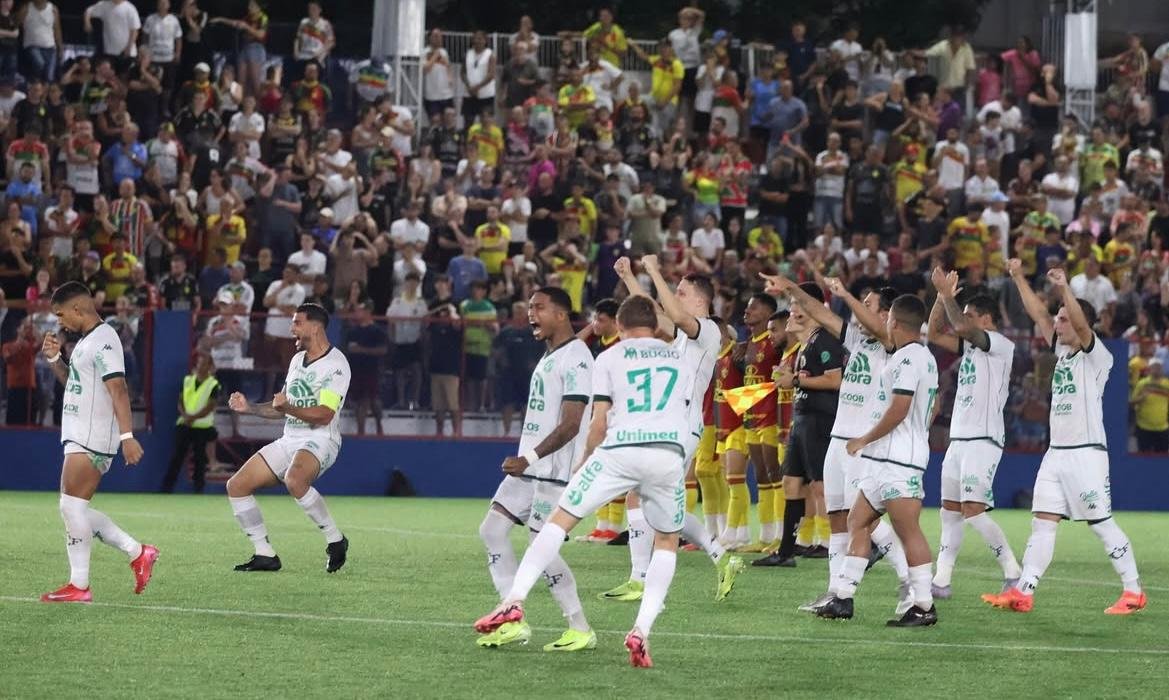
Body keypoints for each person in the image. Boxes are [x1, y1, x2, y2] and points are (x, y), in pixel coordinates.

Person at [474, 295, 696, 668]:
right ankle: (641, 629)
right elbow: (684, 413)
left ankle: (516, 600)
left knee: (556, 524)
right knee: (667, 542)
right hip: (668, 455)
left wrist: (583, 463)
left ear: (621, 327)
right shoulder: (683, 359)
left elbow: (597, 420)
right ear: (656, 326)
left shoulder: (607, 357)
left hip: (618, 450)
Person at [982, 263, 1145, 614]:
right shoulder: (1061, 351)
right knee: (1042, 522)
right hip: (1056, 454)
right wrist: (1017, 278)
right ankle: (1024, 592)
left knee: (1101, 524)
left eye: (1063, 318)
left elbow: (1081, 323)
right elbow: (1038, 313)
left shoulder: (1097, 354)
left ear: (1079, 321)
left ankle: (1133, 591)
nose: (1056, 322)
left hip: (1086, 453)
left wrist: (1064, 289)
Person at [761, 276, 913, 613]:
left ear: (888, 315)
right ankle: (836, 594)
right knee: (838, 519)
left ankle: (909, 583)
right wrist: (791, 288)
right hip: (838, 440)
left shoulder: (894, 346)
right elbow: (819, 310)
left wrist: (844, 294)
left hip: (865, 445)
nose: (860, 311)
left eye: (870, 305)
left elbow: (875, 327)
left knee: (866, 521)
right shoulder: (857, 341)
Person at [600, 256, 745, 602]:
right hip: (670, 425)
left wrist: (653, 270)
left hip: (682, 427)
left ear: (700, 300)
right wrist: (632, 278)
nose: (675, 297)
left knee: (641, 494)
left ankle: (639, 578)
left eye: (680, 291)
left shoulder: (707, 330)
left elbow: (676, 315)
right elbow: (654, 313)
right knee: (661, 505)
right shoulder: (682, 336)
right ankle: (722, 557)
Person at [474, 287, 596, 652]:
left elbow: (572, 423)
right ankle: (514, 618)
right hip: (532, 469)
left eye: (539, 308)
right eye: (528, 307)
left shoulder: (575, 359)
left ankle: (579, 628)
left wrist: (529, 458)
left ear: (561, 314)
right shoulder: (553, 355)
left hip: (554, 471)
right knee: (492, 530)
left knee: (541, 548)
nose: (530, 314)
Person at [817, 294, 939, 626]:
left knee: (908, 531)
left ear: (895, 322)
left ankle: (923, 605)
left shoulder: (910, 359)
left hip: (900, 460)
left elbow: (899, 409)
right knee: (857, 521)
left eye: (887, 319)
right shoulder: (918, 357)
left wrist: (863, 438)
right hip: (884, 458)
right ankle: (842, 597)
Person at [38, 281, 158, 602]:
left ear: (78, 309)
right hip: (80, 432)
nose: (59, 322)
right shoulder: (85, 341)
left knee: (71, 507)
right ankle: (137, 552)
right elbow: (74, 382)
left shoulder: (105, 340)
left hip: (93, 435)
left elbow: (118, 389)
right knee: (74, 508)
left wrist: (128, 437)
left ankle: (82, 585)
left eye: (62, 315)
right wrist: (54, 360)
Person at [226, 303, 351, 573]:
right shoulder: (297, 360)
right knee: (237, 485)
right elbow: (280, 406)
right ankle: (264, 554)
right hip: (290, 439)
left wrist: (288, 408)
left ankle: (335, 540)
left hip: (321, 439)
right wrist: (250, 408)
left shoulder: (336, 365)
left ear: (314, 327)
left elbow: (325, 414)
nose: (291, 328)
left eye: (296, 323)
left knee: (295, 479)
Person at [925, 268, 1022, 597]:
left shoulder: (1000, 345)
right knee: (949, 512)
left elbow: (960, 326)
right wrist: (941, 296)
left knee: (973, 513)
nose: (961, 322)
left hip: (984, 439)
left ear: (986, 319)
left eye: (969, 315)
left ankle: (1013, 570)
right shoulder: (970, 347)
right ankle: (941, 580)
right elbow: (936, 332)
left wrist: (951, 297)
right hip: (959, 440)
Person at [754, 283, 845, 568]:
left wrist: (794, 380)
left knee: (820, 487)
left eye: (798, 304)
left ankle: (845, 544)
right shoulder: (806, 345)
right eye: (792, 304)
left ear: (815, 308)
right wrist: (791, 376)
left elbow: (835, 380)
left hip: (820, 420)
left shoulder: (826, 341)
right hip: (801, 419)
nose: (793, 310)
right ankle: (785, 551)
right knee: (791, 484)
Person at [161, 350, 218, 493]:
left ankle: (199, 489)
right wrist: (185, 415)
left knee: (200, 459)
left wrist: (193, 417)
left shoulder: (213, 384)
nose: (200, 366)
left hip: (202, 426)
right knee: (177, 457)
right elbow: (180, 401)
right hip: (185, 424)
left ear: (209, 366)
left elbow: (211, 405)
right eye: (198, 363)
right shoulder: (187, 380)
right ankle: (166, 489)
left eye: (204, 364)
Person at [344, 300, 387, 437]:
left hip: (371, 370)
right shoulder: (352, 332)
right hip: (356, 370)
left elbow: (383, 350)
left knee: (372, 400)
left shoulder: (377, 331)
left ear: (368, 312)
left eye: (360, 310)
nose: (357, 313)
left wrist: (361, 350)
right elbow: (347, 350)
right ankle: (360, 430)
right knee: (360, 400)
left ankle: (379, 425)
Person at [1130, 359, 1169, 452]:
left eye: (1159, 367)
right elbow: (1132, 403)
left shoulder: (1167, 384)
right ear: (1150, 369)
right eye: (1154, 366)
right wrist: (1141, 398)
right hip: (1143, 428)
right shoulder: (1142, 383)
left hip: (1163, 429)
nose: (1157, 369)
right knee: (1144, 458)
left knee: (1161, 460)